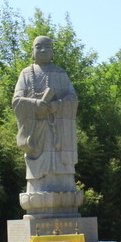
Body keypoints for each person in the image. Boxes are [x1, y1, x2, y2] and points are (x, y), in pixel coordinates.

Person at [12, 36, 78, 194]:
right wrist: (35, 104)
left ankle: (64, 191)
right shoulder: (26, 74)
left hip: (57, 131)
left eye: (47, 47)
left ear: (52, 51)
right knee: (35, 188)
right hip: (36, 131)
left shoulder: (60, 73)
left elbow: (73, 98)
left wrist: (57, 105)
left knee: (60, 166)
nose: (43, 50)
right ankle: (38, 191)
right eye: (39, 47)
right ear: (32, 52)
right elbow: (16, 101)